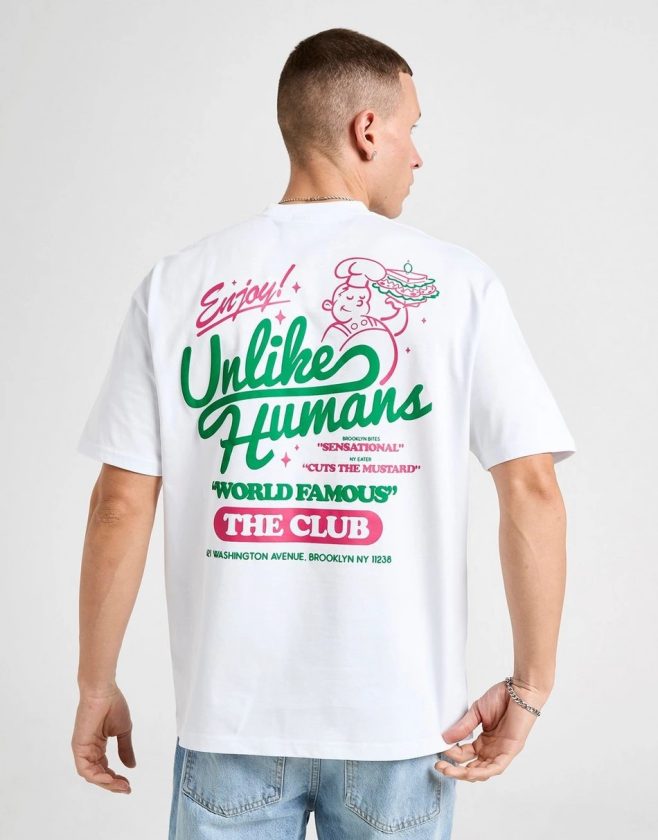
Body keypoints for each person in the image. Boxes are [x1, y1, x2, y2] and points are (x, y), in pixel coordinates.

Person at [71, 27, 576, 840]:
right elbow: (533, 488)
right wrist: (530, 688)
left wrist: (96, 685)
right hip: (400, 725)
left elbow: (119, 506)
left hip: (230, 721)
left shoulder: (176, 286)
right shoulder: (459, 284)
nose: (417, 155)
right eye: (411, 129)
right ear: (366, 130)